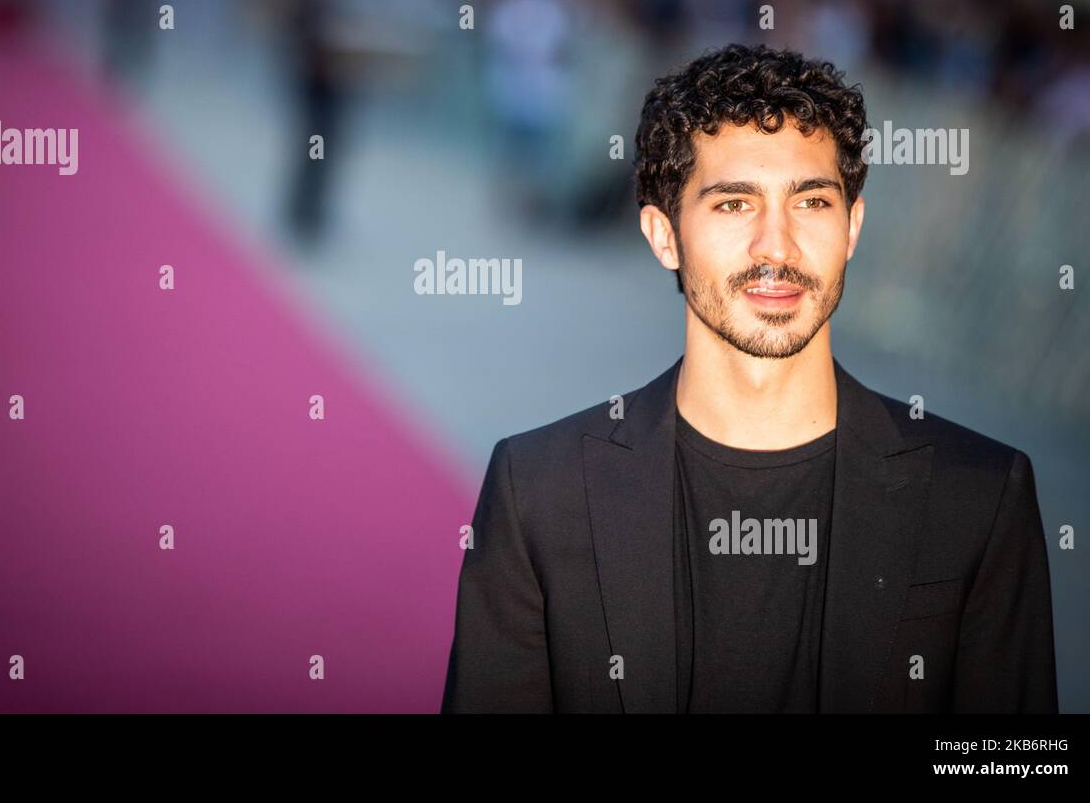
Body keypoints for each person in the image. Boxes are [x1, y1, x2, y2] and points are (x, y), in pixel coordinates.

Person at [441, 44, 1057, 713]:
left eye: (811, 202)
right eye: (734, 205)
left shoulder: (979, 495)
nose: (776, 246)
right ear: (663, 235)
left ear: (852, 226)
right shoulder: (540, 490)